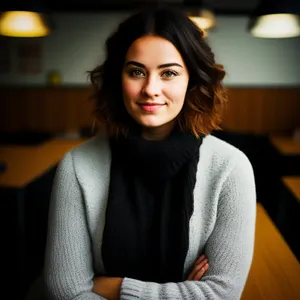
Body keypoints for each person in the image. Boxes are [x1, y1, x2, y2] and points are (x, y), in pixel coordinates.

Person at [43, 6, 256, 300]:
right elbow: (65, 291)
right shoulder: (77, 166)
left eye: (168, 73)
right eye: (136, 72)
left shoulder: (231, 168)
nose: (150, 89)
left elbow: (221, 294)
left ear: (191, 80)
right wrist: (186, 292)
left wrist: (113, 287)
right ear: (118, 79)